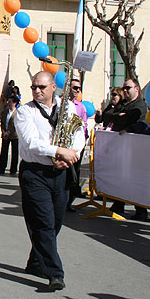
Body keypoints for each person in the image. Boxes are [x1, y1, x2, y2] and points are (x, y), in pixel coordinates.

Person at [14, 71, 84, 292]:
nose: (37, 91)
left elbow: (80, 131)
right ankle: (55, 273)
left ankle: (35, 262)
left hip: (60, 171)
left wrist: (72, 153)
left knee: (55, 222)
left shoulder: (67, 107)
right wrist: (59, 151)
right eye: (34, 87)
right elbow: (31, 143)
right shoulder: (25, 111)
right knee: (43, 222)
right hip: (35, 173)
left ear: (53, 87)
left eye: (42, 87)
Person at [104, 78, 148, 219]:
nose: (124, 91)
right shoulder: (123, 103)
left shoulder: (140, 105)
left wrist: (121, 118)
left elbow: (134, 120)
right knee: (120, 175)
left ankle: (141, 210)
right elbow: (107, 116)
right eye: (123, 88)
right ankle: (118, 204)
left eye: (127, 88)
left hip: (135, 148)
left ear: (136, 88)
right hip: (119, 146)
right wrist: (119, 116)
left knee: (135, 178)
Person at [65, 79, 88, 212]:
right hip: (63, 145)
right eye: (74, 88)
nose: (77, 91)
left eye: (78, 88)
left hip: (76, 145)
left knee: (75, 174)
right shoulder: (60, 103)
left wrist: (80, 145)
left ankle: (69, 201)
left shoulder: (81, 107)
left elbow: (83, 126)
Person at [0, 95, 20, 175]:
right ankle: (1, 168)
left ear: (15, 103)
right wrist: (3, 131)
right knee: (4, 151)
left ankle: (13, 169)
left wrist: (9, 132)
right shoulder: (6, 111)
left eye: (10, 102)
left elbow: (17, 125)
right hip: (5, 134)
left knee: (14, 152)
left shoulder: (17, 113)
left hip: (14, 135)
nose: (9, 103)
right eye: (8, 102)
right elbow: (2, 122)